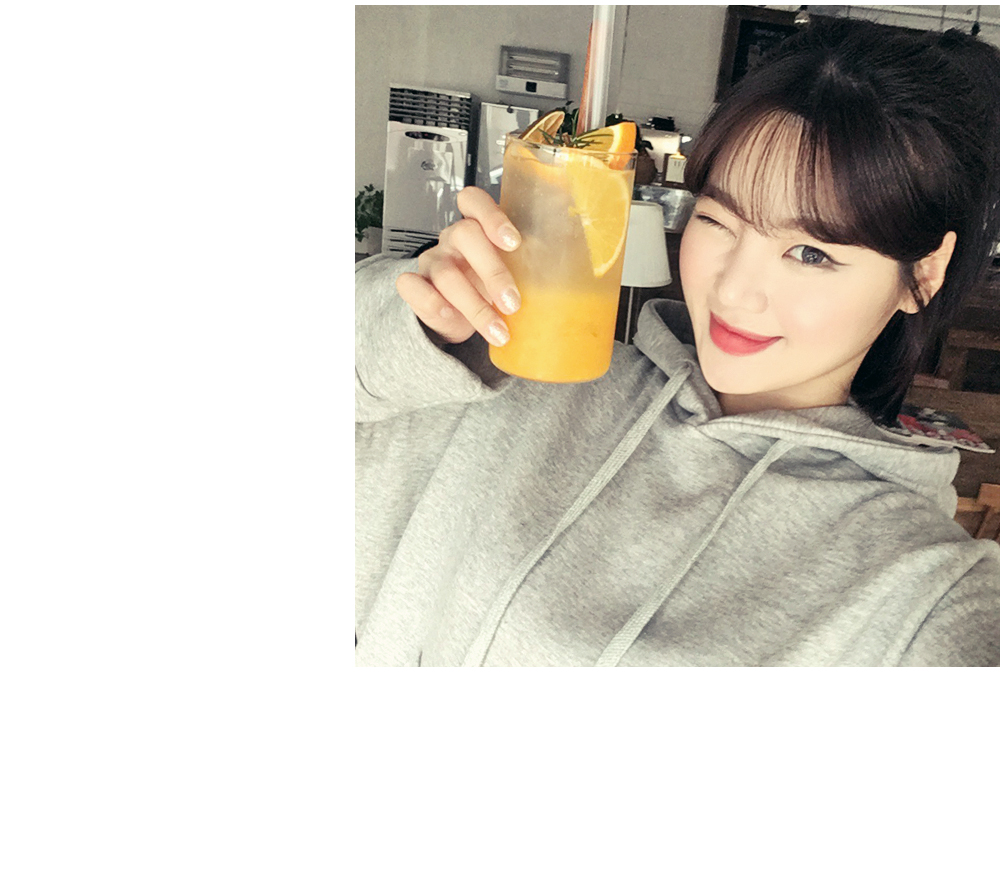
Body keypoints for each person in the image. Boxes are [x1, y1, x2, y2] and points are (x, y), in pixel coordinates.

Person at [355, 18, 1000, 666]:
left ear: (924, 275)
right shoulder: (523, 380)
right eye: (719, 220)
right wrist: (422, 325)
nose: (734, 291)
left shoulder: (923, 588)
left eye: (810, 253)